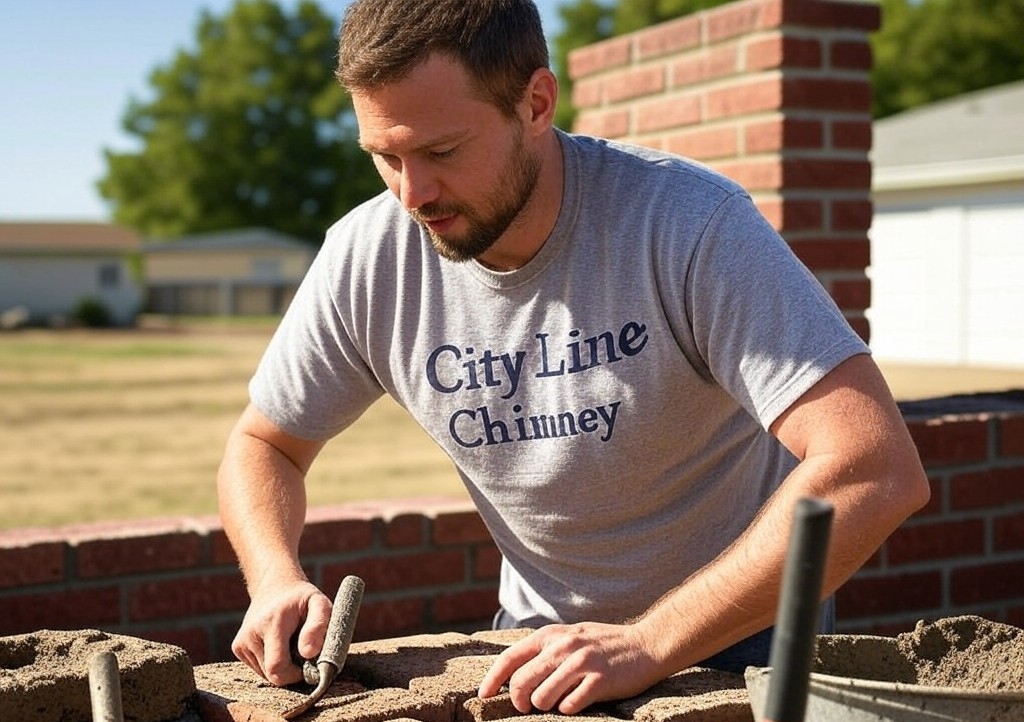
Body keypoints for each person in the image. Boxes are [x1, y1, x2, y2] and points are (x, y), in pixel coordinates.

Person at [217, 0, 930, 714]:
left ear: (536, 102)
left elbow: (874, 467)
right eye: (384, 155)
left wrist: (650, 641)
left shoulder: (687, 224)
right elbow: (263, 445)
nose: (413, 193)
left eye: (441, 152)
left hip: (744, 646)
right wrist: (275, 577)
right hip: (536, 652)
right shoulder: (368, 259)